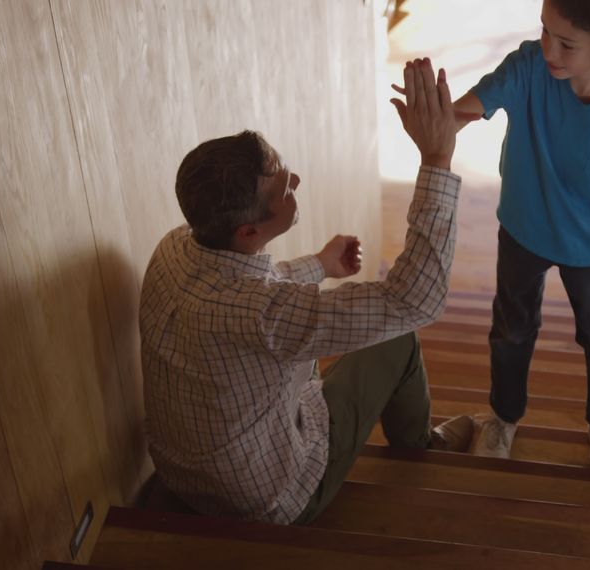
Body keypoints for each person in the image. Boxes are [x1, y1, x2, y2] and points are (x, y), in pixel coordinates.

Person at [140, 58, 472, 526]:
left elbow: (241, 293)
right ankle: (420, 446)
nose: (295, 180)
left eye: (283, 167)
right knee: (396, 336)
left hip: (179, 474)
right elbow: (415, 302)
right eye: (283, 187)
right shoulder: (265, 315)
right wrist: (437, 159)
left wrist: (319, 265)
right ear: (249, 232)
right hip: (269, 498)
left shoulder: (174, 248)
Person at [452, 0, 590, 471]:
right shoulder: (528, 65)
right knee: (510, 331)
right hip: (523, 231)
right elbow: (464, 110)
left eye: (567, 43)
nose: (549, 48)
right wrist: (437, 118)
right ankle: (503, 418)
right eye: (545, 31)